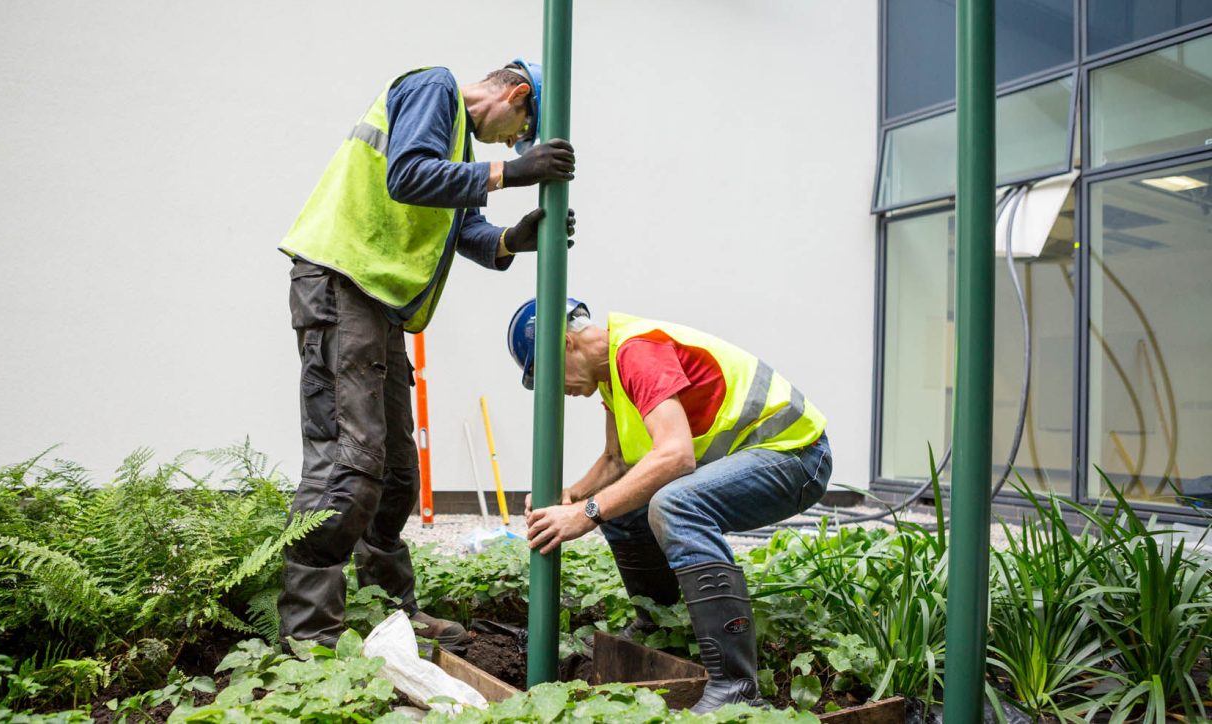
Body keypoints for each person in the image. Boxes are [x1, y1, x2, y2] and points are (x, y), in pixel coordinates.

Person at [275, 59, 576, 653]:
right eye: (521, 128)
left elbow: (465, 230)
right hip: (342, 283)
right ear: (515, 94)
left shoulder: (459, 145)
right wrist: (511, 171)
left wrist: (516, 238)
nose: (514, 142)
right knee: (349, 464)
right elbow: (408, 176)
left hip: (378, 303)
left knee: (395, 476)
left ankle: (389, 615)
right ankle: (308, 641)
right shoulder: (433, 87)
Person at [513, 299, 831, 712]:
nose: (559, 392)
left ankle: (736, 687)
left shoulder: (636, 352)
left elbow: (677, 455)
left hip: (797, 455)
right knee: (626, 503)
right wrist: (572, 495)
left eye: (550, 376)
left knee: (673, 503)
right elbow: (617, 460)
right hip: (764, 457)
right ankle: (657, 625)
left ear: (568, 344)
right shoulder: (612, 376)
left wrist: (586, 513)